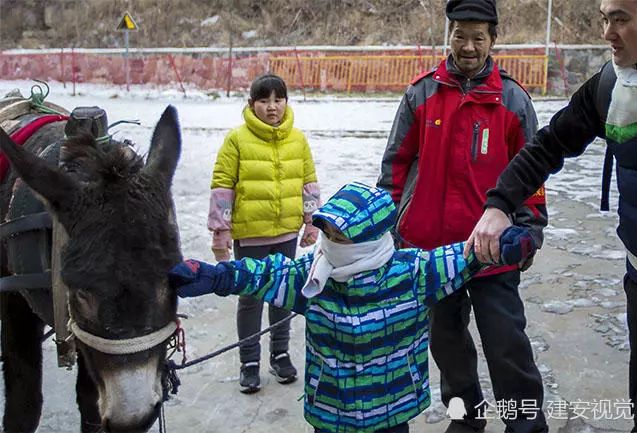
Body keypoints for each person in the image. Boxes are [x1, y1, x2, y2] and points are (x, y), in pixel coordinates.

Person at [169, 182, 536, 433]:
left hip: (393, 407)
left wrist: (506, 245)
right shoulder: (312, 275)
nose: (330, 243)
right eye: (327, 233)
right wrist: (215, 276)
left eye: (340, 237)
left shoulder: (414, 273)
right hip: (331, 412)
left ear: (371, 238)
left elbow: (463, 256)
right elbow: (263, 274)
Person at [466, 1, 637, 431]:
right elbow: (548, 145)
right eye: (604, 18)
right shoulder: (611, 86)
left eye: (620, 18)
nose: (607, 31)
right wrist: (499, 204)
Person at [376, 1, 549, 432]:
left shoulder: (512, 99)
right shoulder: (420, 94)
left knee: (506, 345)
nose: (468, 46)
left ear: (493, 40)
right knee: (447, 346)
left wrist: (529, 228)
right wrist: (383, 229)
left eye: (478, 37)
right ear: (448, 35)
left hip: (491, 252)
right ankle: (466, 419)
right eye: (460, 35)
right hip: (431, 252)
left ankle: (526, 423)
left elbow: (532, 173)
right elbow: (395, 165)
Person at [208, 73, 321, 393]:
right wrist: (221, 232)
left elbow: (309, 184)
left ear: (286, 102)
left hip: (285, 233)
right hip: (251, 235)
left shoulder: (297, 139)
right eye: (264, 100)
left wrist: (312, 222)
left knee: (284, 295)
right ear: (251, 104)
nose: (272, 107)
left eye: (278, 99)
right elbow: (222, 188)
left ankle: (280, 354)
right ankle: (249, 361)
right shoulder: (237, 140)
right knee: (252, 297)